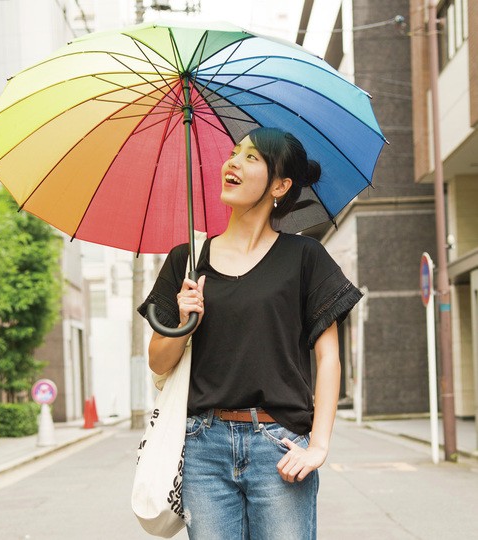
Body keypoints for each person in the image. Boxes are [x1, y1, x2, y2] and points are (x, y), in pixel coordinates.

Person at [138, 127, 363, 540]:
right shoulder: (187, 259)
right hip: (202, 446)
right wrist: (185, 320)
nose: (233, 163)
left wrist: (319, 445)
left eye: (251, 158)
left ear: (280, 184)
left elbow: (328, 357)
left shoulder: (304, 256)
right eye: (233, 153)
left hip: (277, 446)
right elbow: (158, 360)